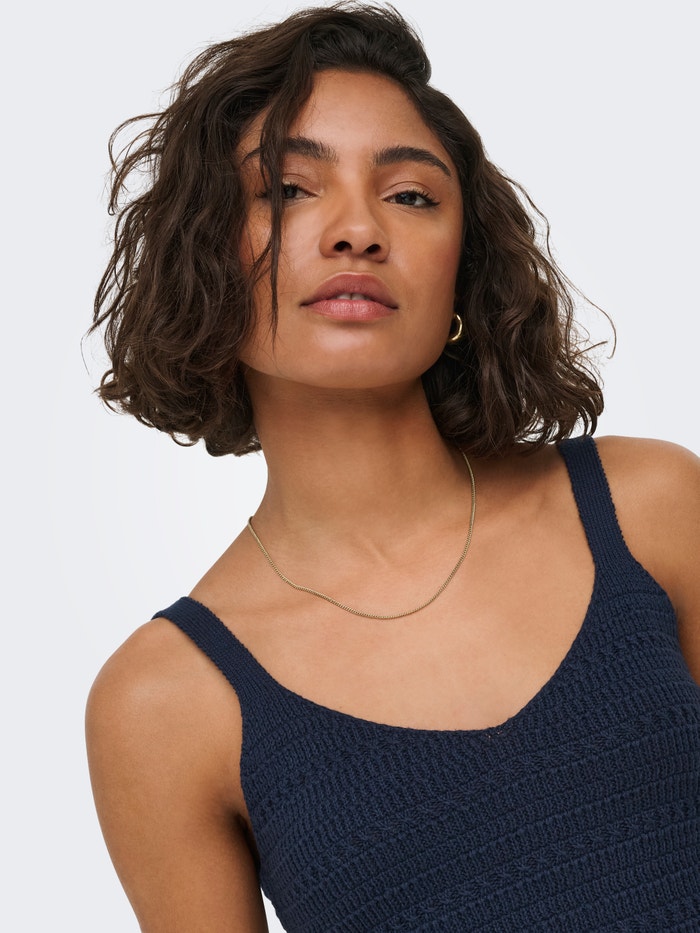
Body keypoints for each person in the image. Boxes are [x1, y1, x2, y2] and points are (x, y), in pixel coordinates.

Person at [85, 3, 700, 930]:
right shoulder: (165, 700)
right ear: (206, 258)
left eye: (410, 195)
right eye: (290, 189)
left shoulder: (651, 507)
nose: (357, 230)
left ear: (462, 266)